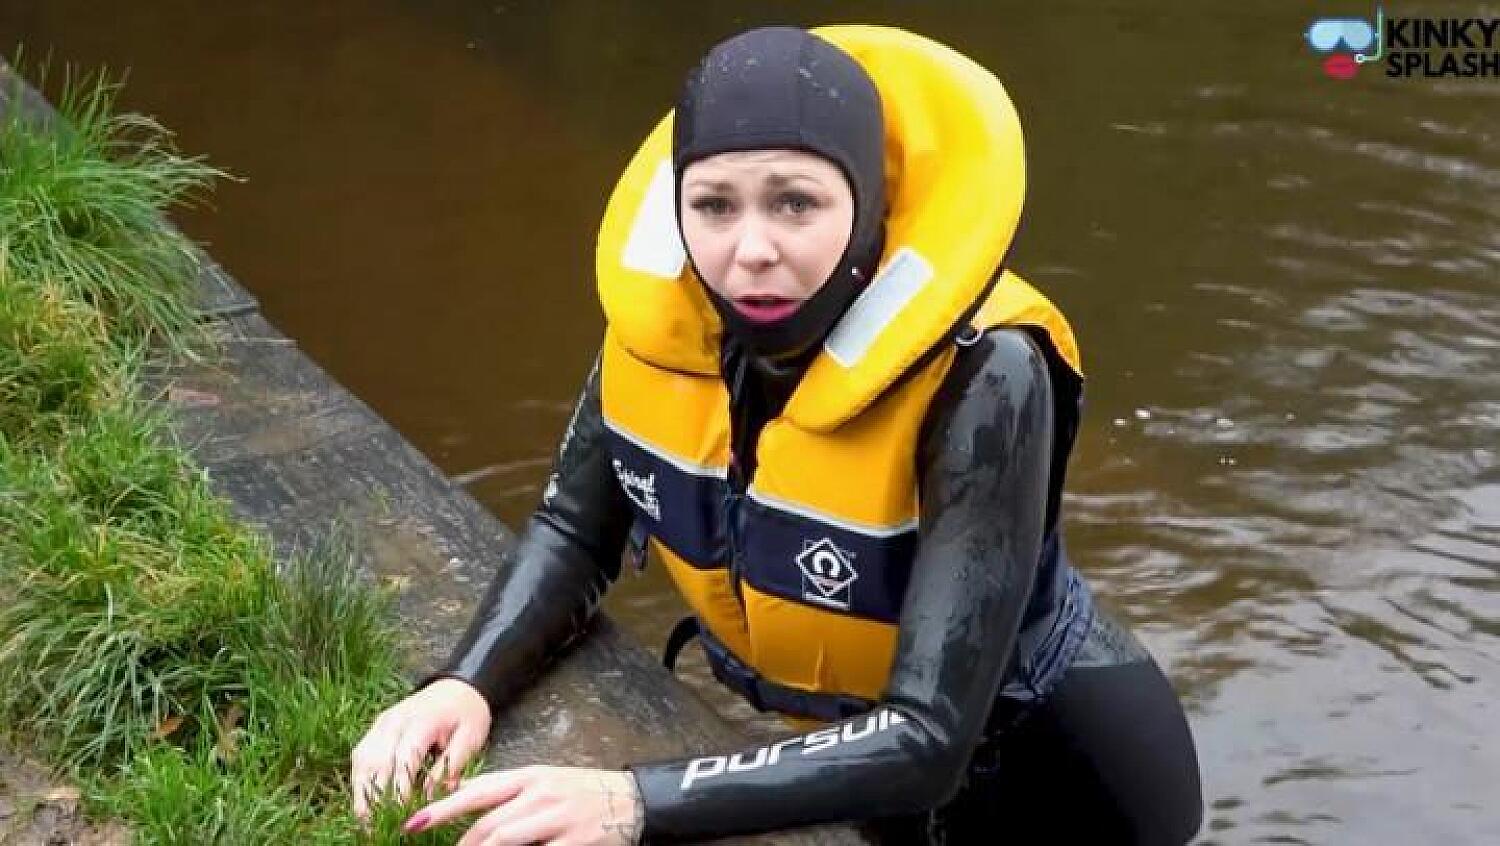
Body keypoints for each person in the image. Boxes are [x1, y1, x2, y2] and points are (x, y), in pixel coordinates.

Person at [350, 25, 1203, 845]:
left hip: (1063, 779)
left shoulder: (989, 374)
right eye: (713, 205)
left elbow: (929, 736)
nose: (749, 250)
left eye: (796, 202)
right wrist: (465, 684)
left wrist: (631, 801)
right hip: (861, 773)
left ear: (871, 204)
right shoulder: (663, 330)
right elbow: (577, 529)